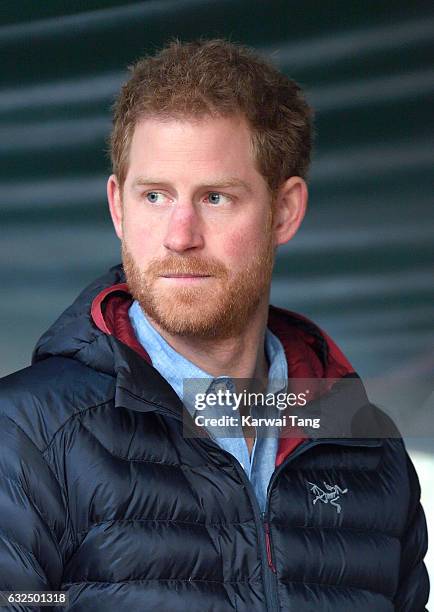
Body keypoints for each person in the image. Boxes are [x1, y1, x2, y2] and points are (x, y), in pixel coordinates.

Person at [0, 39, 429, 612]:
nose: (180, 235)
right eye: (154, 195)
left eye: (216, 198)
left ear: (285, 210)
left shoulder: (365, 444)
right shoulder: (25, 434)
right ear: (117, 207)